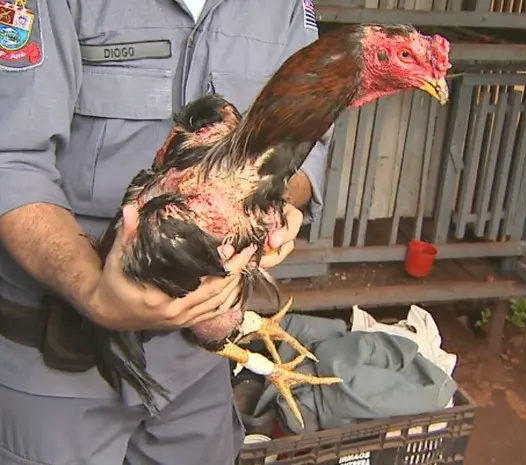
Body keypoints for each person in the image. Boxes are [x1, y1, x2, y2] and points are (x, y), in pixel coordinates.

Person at [0, 0, 330, 464]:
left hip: (197, 362)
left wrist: (275, 197)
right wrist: (93, 289)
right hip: (61, 356)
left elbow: (304, 143)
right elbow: (11, 158)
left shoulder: (284, 8)